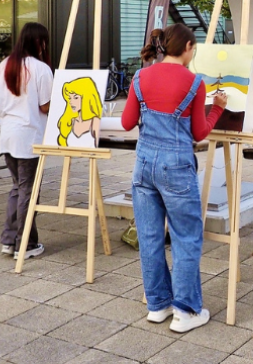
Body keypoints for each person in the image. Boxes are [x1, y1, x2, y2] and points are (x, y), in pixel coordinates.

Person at [121, 24, 227, 333]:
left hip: (144, 166)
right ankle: (185, 311)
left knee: (150, 238)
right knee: (185, 237)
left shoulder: (140, 76)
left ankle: (158, 306)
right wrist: (217, 110)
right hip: (177, 167)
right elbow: (198, 133)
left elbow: (128, 122)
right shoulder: (195, 83)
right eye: (194, 50)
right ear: (189, 46)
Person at [0, 23, 53, 260]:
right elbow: (45, 105)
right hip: (29, 136)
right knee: (28, 190)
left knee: (18, 187)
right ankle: (24, 243)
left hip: (8, 134)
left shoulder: (5, 64)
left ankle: (10, 240)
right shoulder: (40, 68)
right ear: (40, 42)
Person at [57, 77, 103, 146]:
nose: (71, 102)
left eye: (76, 98)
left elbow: (99, 151)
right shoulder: (69, 121)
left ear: (87, 98)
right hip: (70, 156)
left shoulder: (95, 122)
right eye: (69, 98)